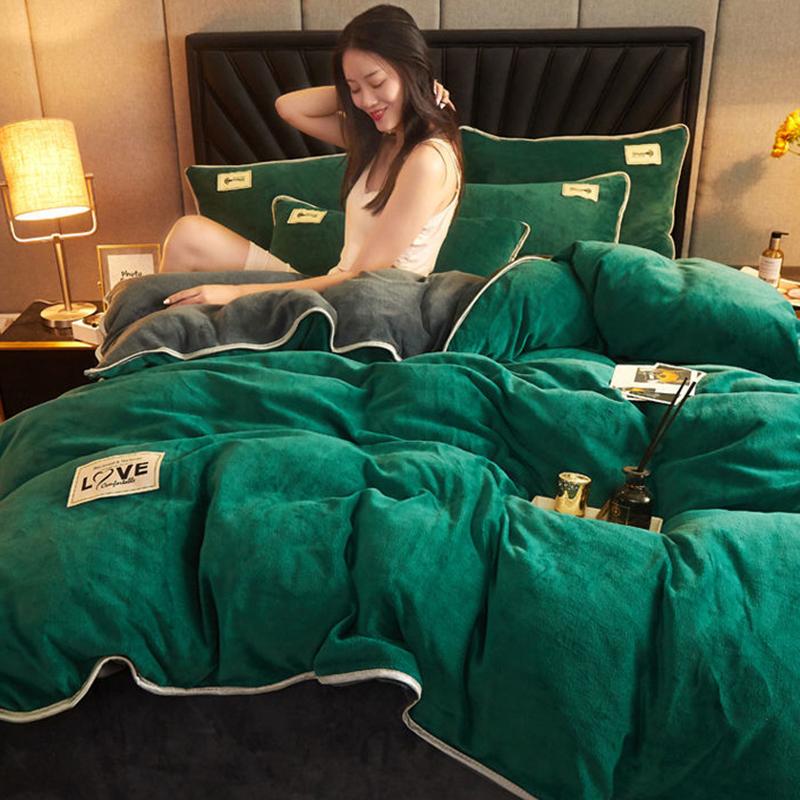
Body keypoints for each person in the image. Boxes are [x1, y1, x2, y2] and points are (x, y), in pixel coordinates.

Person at [161, 3, 463, 308]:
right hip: (334, 288)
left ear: (411, 70)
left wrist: (236, 294)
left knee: (214, 294)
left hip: (365, 309)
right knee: (189, 235)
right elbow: (289, 108)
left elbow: (364, 276)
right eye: (354, 89)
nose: (366, 101)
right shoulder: (379, 139)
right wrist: (360, 89)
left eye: (376, 82)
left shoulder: (428, 161)